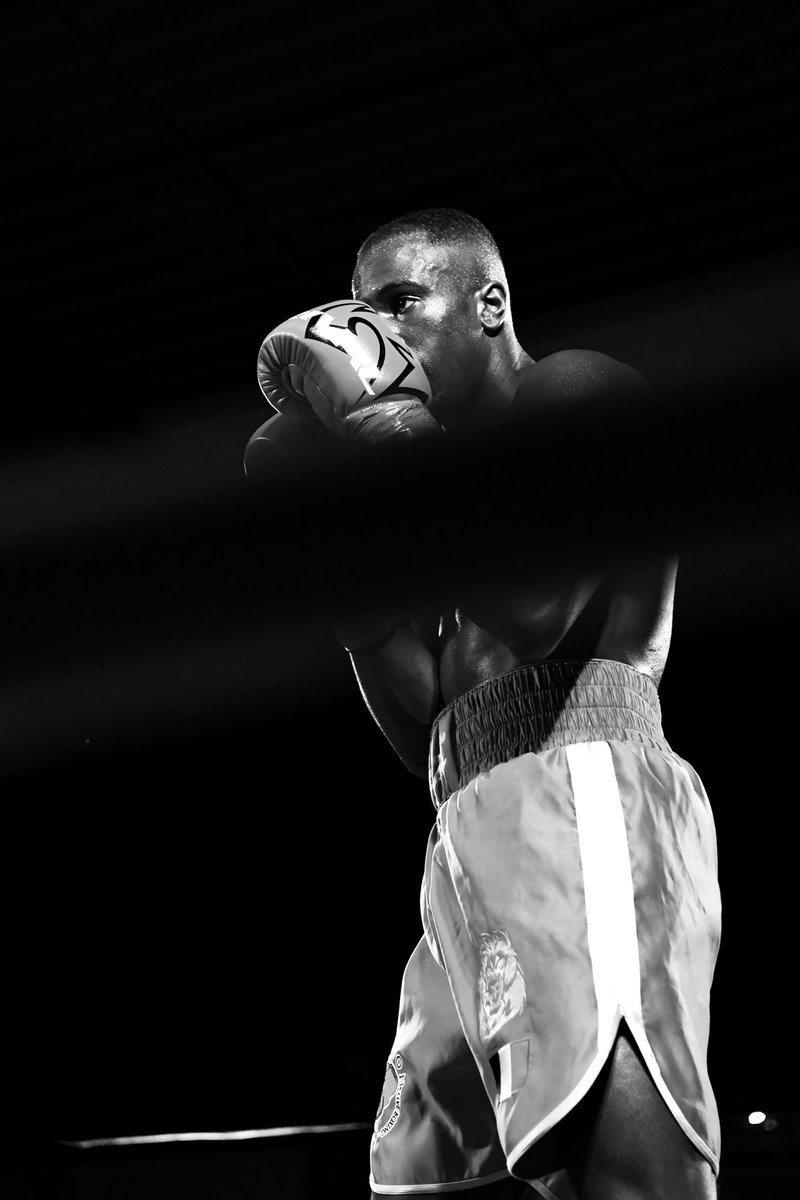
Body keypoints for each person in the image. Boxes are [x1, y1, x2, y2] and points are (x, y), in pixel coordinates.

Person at [248, 208, 721, 1199]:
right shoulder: (437, 513)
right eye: (361, 313)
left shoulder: (576, 388)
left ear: (489, 303)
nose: (371, 337)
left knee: (627, 1172)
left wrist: (392, 436)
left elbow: (537, 611)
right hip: (467, 824)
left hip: (583, 789)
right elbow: (433, 735)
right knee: (434, 1182)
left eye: (399, 304)